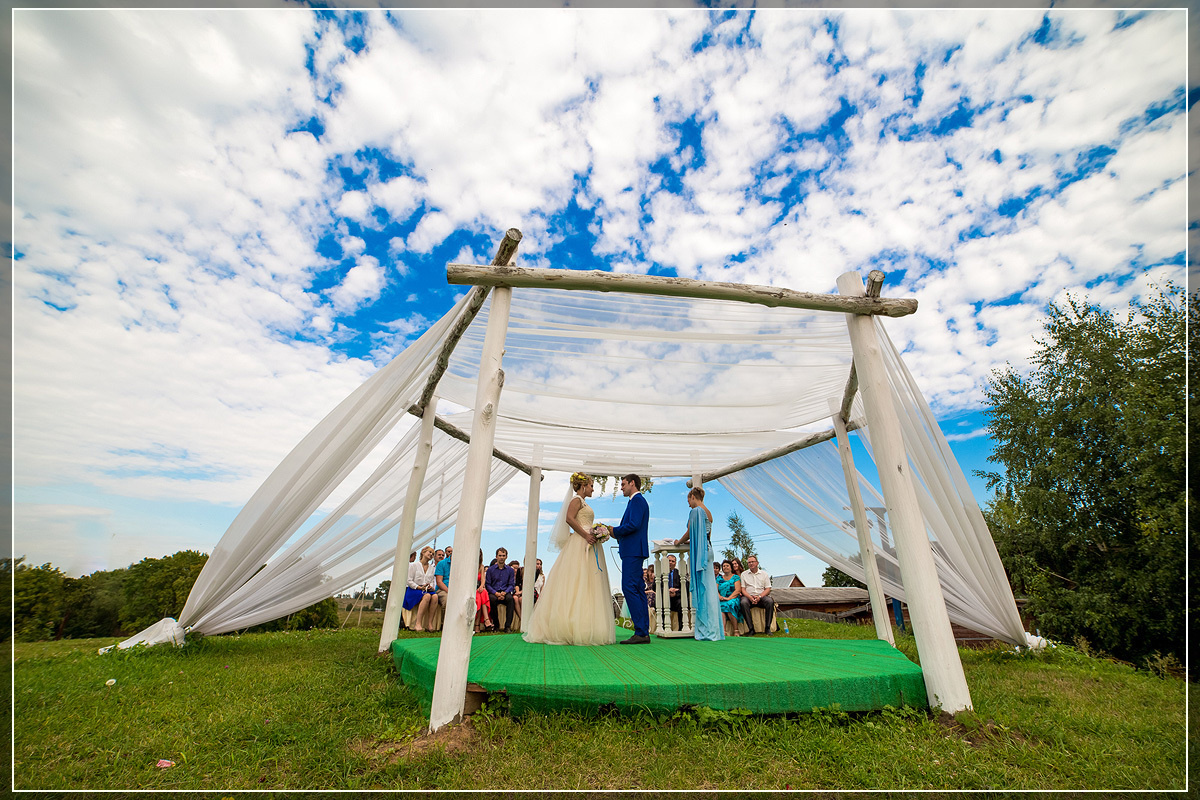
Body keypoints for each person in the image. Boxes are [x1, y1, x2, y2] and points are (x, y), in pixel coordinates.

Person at [522, 472, 616, 646]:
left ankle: (585, 625)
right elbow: (569, 519)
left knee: (588, 585)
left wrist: (596, 532)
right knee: (576, 582)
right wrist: (586, 535)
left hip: (589, 541)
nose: (593, 488)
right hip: (580, 543)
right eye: (591, 485)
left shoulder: (584, 502)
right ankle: (569, 626)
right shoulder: (576, 500)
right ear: (583, 486)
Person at [674, 486, 723, 641]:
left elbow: (690, 531)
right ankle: (713, 627)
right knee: (709, 588)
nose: (688, 504)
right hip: (709, 549)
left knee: (705, 590)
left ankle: (707, 630)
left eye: (688, 500)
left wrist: (678, 542)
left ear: (693, 497)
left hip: (701, 553)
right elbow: (705, 535)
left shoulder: (696, 512)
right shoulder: (708, 513)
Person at [610, 473, 651, 644]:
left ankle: (641, 631)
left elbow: (633, 524)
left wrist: (615, 531)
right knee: (637, 588)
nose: (621, 487)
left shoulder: (637, 501)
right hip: (634, 550)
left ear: (633, 483)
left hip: (633, 551)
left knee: (629, 587)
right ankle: (643, 630)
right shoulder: (636, 502)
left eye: (623, 484)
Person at [738, 555, 775, 636]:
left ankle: (767, 628)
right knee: (743, 603)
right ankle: (751, 629)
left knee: (770, 601)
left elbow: (768, 589)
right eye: (749, 562)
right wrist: (750, 598)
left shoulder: (764, 574)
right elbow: (743, 589)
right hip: (748, 597)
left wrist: (759, 597)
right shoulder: (744, 574)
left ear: (757, 563)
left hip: (761, 597)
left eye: (752, 562)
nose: (751, 564)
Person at [406, 546, 439, 632]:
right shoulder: (414, 565)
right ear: (423, 552)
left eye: (432, 554)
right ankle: (418, 623)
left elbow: (432, 581)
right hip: (414, 589)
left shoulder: (432, 568)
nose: (431, 554)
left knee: (435, 596)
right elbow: (409, 581)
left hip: (426, 589)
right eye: (429, 552)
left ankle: (430, 624)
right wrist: (419, 587)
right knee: (427, 596)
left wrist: (431, 586)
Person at [485, 546, 517, 632]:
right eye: (500, 555)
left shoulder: (510, 570)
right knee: (492, 599)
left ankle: (507, 626)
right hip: (494, 592)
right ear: (496, 557)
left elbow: (511, 584)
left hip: (505, 592)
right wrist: (496, 593)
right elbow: (488, 584)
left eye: (503, 555)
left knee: (511, 599)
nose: (501, 557)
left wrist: (505, 593)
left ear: (506, 557)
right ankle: (496, 625)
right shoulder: (490, 570)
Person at [717, 559, 743, 635]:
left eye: (727, 565)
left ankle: (736, 630)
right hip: (721, 599)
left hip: (733, 598)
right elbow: (716, 590)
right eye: (724, 566)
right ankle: (723, 631)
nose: (725, 567)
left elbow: (738, 590)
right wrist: (719, 597)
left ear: (731, 567)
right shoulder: (719, 578)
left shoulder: (735, 577)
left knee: (730, 604)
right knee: (720, 607)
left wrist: (729, 598)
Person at [475, 551, 494, 632]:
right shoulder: (467, 565)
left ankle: (480, 624)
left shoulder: (481, 566)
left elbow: (483, 579)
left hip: (478, 588)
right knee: (481, 595)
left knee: (483, 592)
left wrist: (481, 586)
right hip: (469, 588)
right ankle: (486, 621)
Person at [666, 554, 682, 628]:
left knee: (681, 603)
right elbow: (655, 587)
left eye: (673, 561)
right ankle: (663, 627)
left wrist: (675, 593)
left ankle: (681, 628)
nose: (670, 562)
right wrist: (667, 590)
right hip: (665, 597)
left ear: (675, 563)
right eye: (669, 561)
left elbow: (684, 588)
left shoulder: (679, 573)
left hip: (676, 597)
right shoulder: (660, 573)